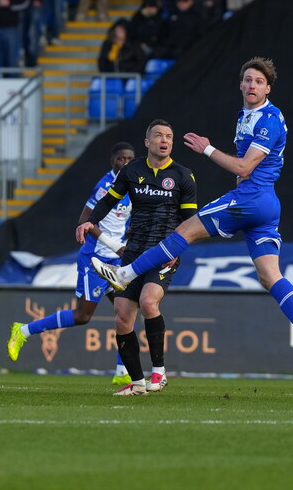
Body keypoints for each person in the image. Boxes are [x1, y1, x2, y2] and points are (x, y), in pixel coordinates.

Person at [85, 58, 293, 376]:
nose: (252, 85)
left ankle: (125, 274)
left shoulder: (268, 119)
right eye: (248, 80)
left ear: (268, 88)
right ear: (240, 84)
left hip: (251, 199)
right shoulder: (246, 115)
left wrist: (207, 149)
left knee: (184, 230)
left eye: (259, 82)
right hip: (264, 205)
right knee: (269, 276)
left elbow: (244, 167)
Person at [77, 121, 197, 395]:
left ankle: (159, 373)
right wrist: (90, 221)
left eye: (169, 136)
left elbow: (191, 221)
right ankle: (137, 382)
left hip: (164, 252)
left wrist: (177, 249)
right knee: (121, 317)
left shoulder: (183, 175)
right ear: (147, 142)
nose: (164, 140)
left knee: (148, 301)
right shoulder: (132, 170)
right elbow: (108, 200)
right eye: (158, 135)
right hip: (133, 251)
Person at [7, 142, 137, 387]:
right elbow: (84, 220)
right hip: (95, 259)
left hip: (117, 260)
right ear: (112, 161)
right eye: (121, 158)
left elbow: (123, 219)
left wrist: (128, 234)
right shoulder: (105, 186)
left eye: (130, 158)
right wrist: (114, 244)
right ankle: (23, 331)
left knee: (127, 310)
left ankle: (122, 370)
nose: (126, 163)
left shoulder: (132, 184)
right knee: (82, 316)